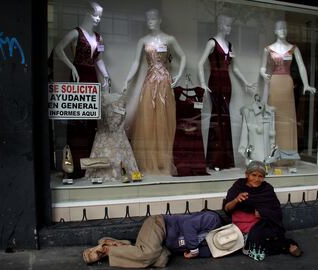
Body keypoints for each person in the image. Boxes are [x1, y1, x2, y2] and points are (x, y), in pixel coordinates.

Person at [122, 9, 186, 175]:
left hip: (165, 82)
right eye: (147, 18)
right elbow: (136, 63)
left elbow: (183, 56)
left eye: (153, 18)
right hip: (150, 82)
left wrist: (179, 74)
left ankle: (163, 160)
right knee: (148, 122)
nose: (150, 21)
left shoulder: (169, 39)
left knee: (165, 121)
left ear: (160, 20)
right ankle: (149, 161)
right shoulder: (143, 40)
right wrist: (127, 80)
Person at [54, 2, 111, 178]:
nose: (98, 19)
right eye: (95, 14)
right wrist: (71, 67)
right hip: (79, 78)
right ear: (87, 12)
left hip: (92, 78)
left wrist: (106, 76)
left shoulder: (99, 38)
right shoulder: (76, 33)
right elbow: (58, 49)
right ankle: (73, 168)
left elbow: (98, 59)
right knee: (77, 122)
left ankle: (90, 167)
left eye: (100, 15)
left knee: (92, 124)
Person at [198, 15, 253, 171]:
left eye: (230, 25)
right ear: (220, 25)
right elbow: (201, 62)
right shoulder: (211, 43)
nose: (229, 28)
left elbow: (234, 68)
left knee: (225, 118)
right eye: (227, 25)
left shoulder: (230, 45)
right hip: (215, 82)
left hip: (227, 83)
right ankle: (215, 160)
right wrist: (202, 83)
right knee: (217, 118)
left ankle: (225, 159)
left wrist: (245, 82)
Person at [82, 211, 222, 268]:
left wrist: (193, 254)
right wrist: (194, 249)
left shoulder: (215, 246)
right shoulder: (213, 219)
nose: (225, 240)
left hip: (164, 246)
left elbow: (200, 253)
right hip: (160, 225)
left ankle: (117, 246)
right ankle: (106, 249)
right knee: (147, 254)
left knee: (160, 261)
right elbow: (188, 225)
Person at [259, 20, 316, 161]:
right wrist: (262, 73)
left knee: (289, 118)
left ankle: (288, 152)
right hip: (274, 83)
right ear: (275, 30)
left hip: (287, 84)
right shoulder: (268, 49)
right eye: (280, 28)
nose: (283, 30)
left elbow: (302, 66)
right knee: (274, 117)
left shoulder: (293, 48)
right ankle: (273, 151)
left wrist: (306, 84)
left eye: (285, 28)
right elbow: (262, 67)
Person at [223, 160, 302, 261]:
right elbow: (227, 208)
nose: (257, 179)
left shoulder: (267, 188)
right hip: (242, 224)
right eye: (253, 175)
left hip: (260, 221)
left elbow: (275, 209)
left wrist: (263, 212)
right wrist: (236, 200)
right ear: (247, 175)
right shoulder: (239, 185)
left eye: (260, 176)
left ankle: (256, 245)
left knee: (273, 232)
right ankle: (286, 246)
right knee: (260, 237)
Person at [238, 93, 276, 165]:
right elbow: (244, 133)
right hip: (253, 157)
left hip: (267, 158)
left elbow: (272, 135)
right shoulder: (248, 112)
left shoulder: (270, 112)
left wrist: (272, 152)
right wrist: (244, 150)